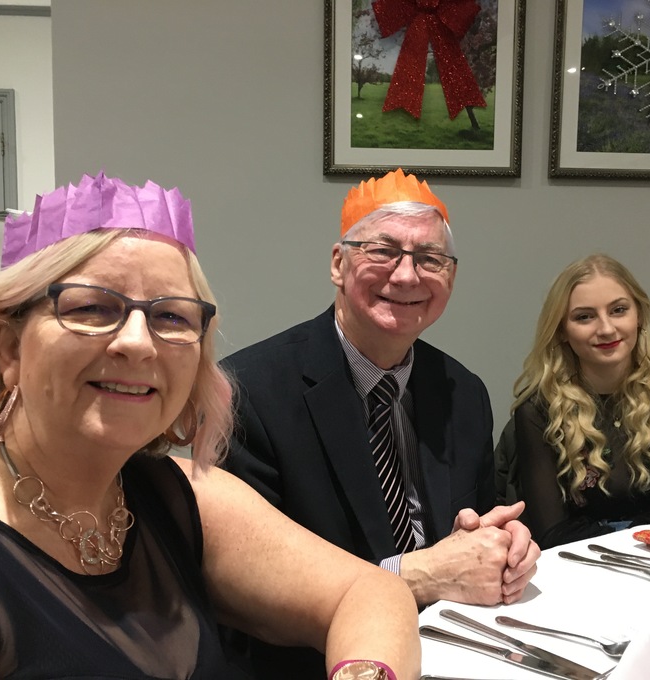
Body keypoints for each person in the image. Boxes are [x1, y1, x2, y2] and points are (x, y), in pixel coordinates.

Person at [0, 172, 419, 680]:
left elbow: (372, 592)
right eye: (92, 307)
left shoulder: (179, 497)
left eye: (170, 317)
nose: (138, 343)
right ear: (10, 347)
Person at [220, 169, 540, 678]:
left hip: (458, 651)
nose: (407, 276)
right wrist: (416, 575)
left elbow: (472, 531)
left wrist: (503, 547)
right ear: (338, 263)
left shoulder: (464, 393)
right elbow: (248, 591)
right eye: (383, 251)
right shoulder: (248, 393)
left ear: (450, 277)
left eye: (430, 259)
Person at [506, 254, 650, 549]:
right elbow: (551, 532)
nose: (606, 329)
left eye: (618, 310)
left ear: (639, 315)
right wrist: (631, 541)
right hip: (582, 562)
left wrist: (632, 540)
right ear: (562, 331)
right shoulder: (538, 407)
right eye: (584, 317)